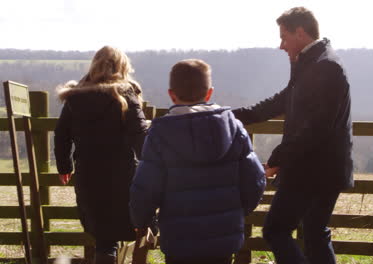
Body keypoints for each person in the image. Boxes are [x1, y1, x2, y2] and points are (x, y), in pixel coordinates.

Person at [232, 7, 354, 264]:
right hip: (321, 168)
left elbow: (316, 127)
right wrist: (235, 115)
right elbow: (285, 99)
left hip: (311, 169)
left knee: (276, 230)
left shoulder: (326, 67)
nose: (281, 45)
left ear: (300, 33)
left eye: (284, 37)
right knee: (314, 233)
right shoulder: (315, 62)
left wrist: (278, 157)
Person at [129, 59, 266, 264]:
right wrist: (236, 211)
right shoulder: (234, 128)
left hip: (179, 238)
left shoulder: (160, 134)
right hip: (223, 236)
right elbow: (255, 181)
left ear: (171, 94)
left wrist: (142, 220)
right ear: (209, 93)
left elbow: (146, 187)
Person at [54, 46, 148, 263]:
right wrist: (153, 164)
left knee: (104, 237)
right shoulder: (125, 94)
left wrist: (65, 167)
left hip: (88, 175)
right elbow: (140, 135)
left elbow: (61, 133)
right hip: (122, 175)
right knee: (133, 225)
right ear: (122, 67)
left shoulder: (75, 97)